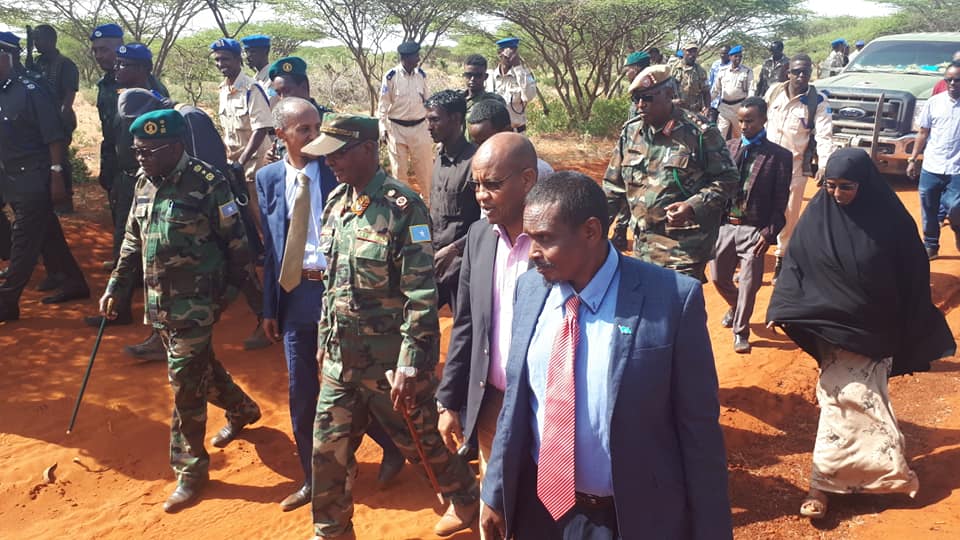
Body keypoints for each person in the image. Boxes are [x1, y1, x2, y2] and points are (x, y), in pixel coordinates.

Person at [479, 171, 732, 540]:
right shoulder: (530, 289)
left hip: (628, 519)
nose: (532, 252)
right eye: (529, 238)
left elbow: (699, 433)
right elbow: (518, 403)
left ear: (591, 231)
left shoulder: (671, 300)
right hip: (540, 512)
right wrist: (495, 491)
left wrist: (712, 530)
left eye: (544, 239)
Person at [300, 113, 478, 539]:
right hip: (341, 360)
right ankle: (332, 531)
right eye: (327, 156)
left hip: (390, 364)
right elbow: (331, 282)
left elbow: (421, 294)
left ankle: (466, 496)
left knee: (420, 443)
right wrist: (325, 338)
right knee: (327, 451)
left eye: (338, 154)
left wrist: (411, 363)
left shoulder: (403, 207)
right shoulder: (336, 203)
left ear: (367, 149)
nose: (330, 162)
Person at [766, 148, 956, 520]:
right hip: (830, 331)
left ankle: (870, 477)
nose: (837, 194)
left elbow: (913, 276)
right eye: (831, 185)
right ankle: (821, 485)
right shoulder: (817, 217)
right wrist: (780, 308)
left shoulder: (892, 222)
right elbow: (795, 267)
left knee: (865, 402)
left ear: (864, 184)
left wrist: (905, 323)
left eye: (847, 187)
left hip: (875, 330)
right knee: (840, 401)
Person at [97, 109, 263, 512]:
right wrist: (116, 287)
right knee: (199, 367)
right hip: (159, 303)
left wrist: (231, 298)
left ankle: (190, 471)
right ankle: (242, 408)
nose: (140, 158)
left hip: (197, 304)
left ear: (174, 147)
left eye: (148, 151)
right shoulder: (143, 182)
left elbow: (237, 245)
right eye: (137, 151)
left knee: (184, 383)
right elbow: (132, 241)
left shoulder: (208, 183)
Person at [255, 99, 403, 512]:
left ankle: (395, 445)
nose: (313, 136)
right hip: (295, 295)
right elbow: (272, 250)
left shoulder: (338, 170)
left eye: (316, 127)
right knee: (302, 391)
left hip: (340, 292)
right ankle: (313, 477)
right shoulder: (267, 178)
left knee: (357, 382)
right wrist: (269, 308)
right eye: (303, 129)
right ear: (281, 134)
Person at [436, 132, 539, 489]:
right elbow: (465, 324)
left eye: (492, 184)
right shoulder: (479, 237)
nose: (481, 195)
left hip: (544, 407)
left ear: (528, 179)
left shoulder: (556, 241)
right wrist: (448, 401)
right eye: (476, 185)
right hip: (491, 402)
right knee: (493, 501)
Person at [604, 64, 738, 282]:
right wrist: (596, 229)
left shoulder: (699, 133)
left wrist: (693, 205)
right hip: (643, 245)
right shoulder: (631, 132)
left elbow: (728, 178)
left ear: (668, 94)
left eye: (647, 98)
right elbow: (613, 187)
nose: (640, 105)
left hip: (683, 248)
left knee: (676, 302)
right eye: (636, 99)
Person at [0, 32, 89, 321]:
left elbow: (54, 136)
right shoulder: (3, 90)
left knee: (24, 240)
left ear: (6, 57)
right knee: (47, 232)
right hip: (12, 176)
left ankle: (7, 300)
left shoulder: (31, 90)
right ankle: (73, 282)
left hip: (35, 176)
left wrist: (56, 175)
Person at [709, 97, 791, 354]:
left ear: (764, 120)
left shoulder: (780, 157)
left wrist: (768, 233)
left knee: (748, 283)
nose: (744, 126)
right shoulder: (728, 148)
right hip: (726, 226)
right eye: (741, 121)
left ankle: (741, 331)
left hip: (754, 230)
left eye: (750, 121)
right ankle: (735, 306)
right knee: (718, 277)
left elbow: (780, 202)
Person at [90, 23, 168, 270]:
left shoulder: (152, 94)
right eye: (96, 50)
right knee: (122, 218)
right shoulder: (109, 85)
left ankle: (130, 272)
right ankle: (125, 266)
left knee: (141, 223)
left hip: (143, 170)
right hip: (118, 163)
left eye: (105, 50)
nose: (116, 67)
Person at [765, 54, 833, 281]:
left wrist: (824, 164)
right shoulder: (774, 92)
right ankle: (752, 257)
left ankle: (782, 258)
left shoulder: (817, 102)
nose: (801, 76)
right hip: (766, 163)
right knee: (759, 209)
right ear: (788, 72)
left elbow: (824, 136)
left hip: (794, 166)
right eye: (796, 71)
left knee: (789, 215)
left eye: (806, 72)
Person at [211, 37, 273, 243]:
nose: (221, 64)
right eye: (217, 60)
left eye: (226, 59)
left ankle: (271, 254)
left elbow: (261, 128)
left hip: (254, 165)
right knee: (241, 217)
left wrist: (241, 162)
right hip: (234, 165)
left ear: (238, 59)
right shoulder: (223, 89)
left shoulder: (251, 89)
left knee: (261, 216)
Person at [425, 90, 481, 312]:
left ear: (456, 119)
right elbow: (435, 213)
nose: (429, 127)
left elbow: (488, 223)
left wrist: (453, 250)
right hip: (436, 262)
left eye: (435, 120)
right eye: (428, 120)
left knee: (464, 328)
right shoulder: (439, 157)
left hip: (462, 266)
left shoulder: (475, 162)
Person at [907, 60, 960, 260]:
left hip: (957, 169)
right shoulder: (934, 103)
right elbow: (923, 132)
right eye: (948, 80)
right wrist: (913, 159)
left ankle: (957, 228)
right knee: (928, 208)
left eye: (957, 80)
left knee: (955, 207)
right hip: (932, 165)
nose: (952, 84)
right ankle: (930, 245)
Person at [377, 41, 434, 200]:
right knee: (399, 173)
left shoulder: (421, 75)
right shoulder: (391, 77)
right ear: (405, 58)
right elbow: (383, 105)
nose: (418, 59)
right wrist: (382, 128)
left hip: (420, 127)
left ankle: (428, 205)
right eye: (416, 56)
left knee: (425, 171)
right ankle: (403, 207)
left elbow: (428, 102)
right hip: (396, 129)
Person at [32, 24, 79, 214]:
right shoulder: (36, 62)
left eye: (39, 39)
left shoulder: (65, 64)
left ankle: (65, 199)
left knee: (60, 158)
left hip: (60, 118)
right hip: (40, 120)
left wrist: (60, 118)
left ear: (51, 40)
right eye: (34, 39)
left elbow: (69, 95)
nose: (36, 43)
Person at [465, 99, 554, 180]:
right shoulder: (471, 172)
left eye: (485, 142)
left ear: (507, 131)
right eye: (475, 144)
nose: (480, 150)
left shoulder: (541, 172)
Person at [486, 37, 537, 132]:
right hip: (495, 133)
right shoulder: (490, 77)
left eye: (514, 52)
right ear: (499, 53)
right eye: (508, 52)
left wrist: (518, 67)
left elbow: (528, 96)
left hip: (516, 132)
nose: (511, 56)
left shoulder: (523, 75)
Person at [711, 45, 753, 140]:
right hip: (724, 108)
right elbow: (715, 90)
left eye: (740, 56)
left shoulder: (747, 71)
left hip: (739, 108)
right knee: (720, 134)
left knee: (739, 135)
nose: (738, 59)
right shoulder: (722, 71)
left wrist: (749, 106)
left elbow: (751, 89)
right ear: (730, 57)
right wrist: (707, 104)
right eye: (736, 56)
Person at [671, 42, 710, 114]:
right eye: (689, 51)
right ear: (683, 51)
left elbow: (706, 92)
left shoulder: (701, 71)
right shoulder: (673, 68)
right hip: (676, 109)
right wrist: (672, 101)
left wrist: (707, 108)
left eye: (694, 51)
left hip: (694, 111)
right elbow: (665, 89)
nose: (692, 54)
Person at [707, 45, 731, 123]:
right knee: (711, 124)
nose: (723, 55)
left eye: (725, 53)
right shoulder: (715, 64)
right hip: (714, 101)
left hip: (726, 103)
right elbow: (710, 81)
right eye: (721, 53)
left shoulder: (733, 66)